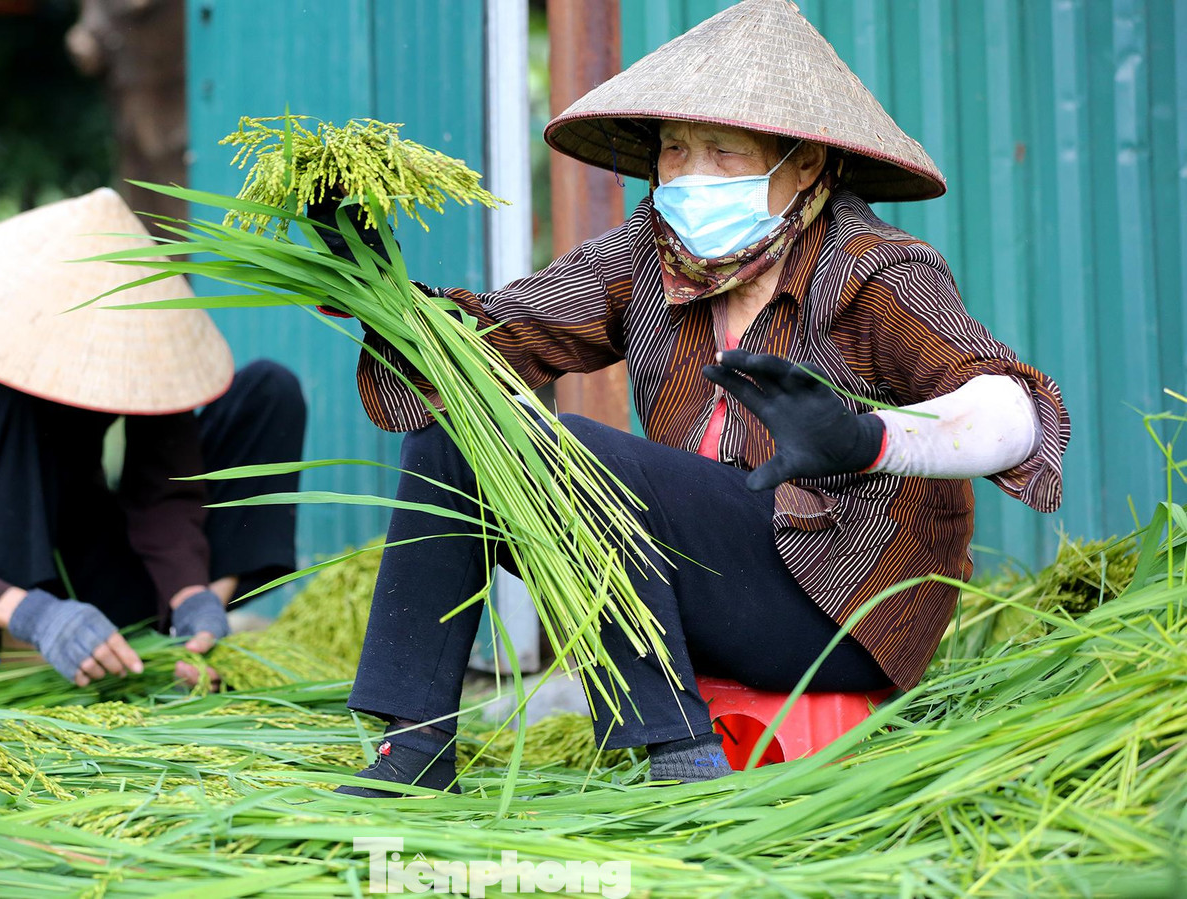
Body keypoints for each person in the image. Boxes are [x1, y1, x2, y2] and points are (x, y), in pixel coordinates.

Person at [322, 0, 1070, 795]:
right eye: (675, 152)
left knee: (584, 451)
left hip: (837, 609)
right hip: (696, 584)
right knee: (457, 422)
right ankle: (415, 750)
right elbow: (485, 344)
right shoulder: (649, 255)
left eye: (722, 154)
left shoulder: (872, 270)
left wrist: (870, 438)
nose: (686, 176)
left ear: (805, 163)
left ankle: (679, 752)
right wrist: (380, 289)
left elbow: (1016, 412)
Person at [0, 188, 306, 690]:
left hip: (78, 567)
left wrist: (190, 596)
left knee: (267, 391)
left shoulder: (139, 340)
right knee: (10, 397)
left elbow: (165, 489)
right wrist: (37, 617)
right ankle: (32, 653)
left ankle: (195, 644)